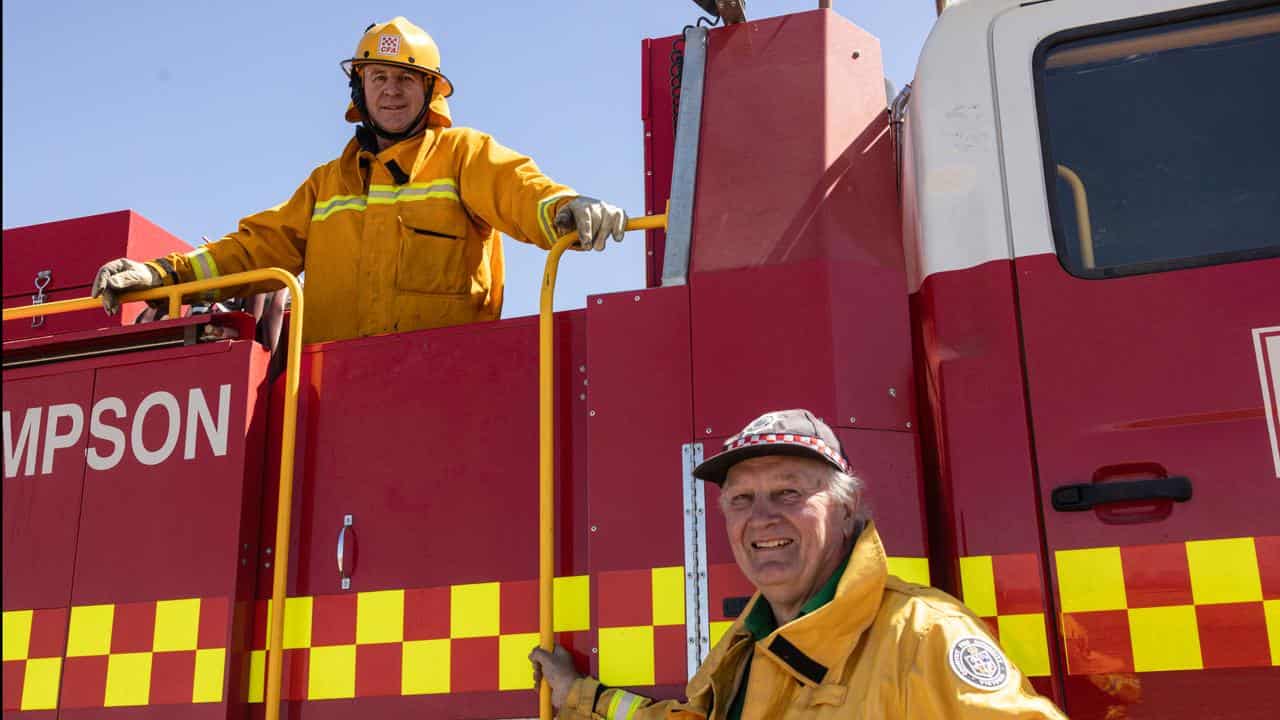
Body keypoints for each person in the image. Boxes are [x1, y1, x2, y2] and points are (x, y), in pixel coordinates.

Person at [90, 17, 627, 345]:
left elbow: (519, 189)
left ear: (431, 92)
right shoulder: (327, 185)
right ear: (360, 90)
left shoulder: (464, 155)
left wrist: (563, 208)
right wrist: (163, 273)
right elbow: (255, 249)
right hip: (330, 385)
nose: (391, 92)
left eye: (405, 80)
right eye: (380, 78)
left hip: (450, 378)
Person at [530, 409, 1067, 719]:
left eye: (788, 493)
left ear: (847, 508)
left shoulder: (923, 635)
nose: (762, 519)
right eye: (741, 500)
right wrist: (580, 695)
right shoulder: (746, 645)